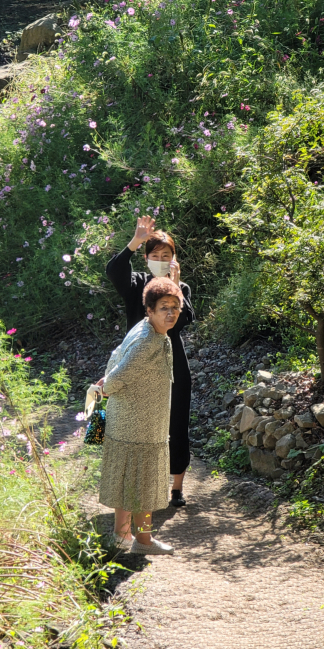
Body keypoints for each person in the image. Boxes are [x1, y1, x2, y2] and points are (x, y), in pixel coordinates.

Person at [106, 216, 194, 507]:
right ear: (146, 259)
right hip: (137, 362)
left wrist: (175, 285)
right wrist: (135, 241)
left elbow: (184, 322)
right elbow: (114, 270)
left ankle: (176, 488)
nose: (160, 260)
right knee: (137, 424)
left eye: (165, 256)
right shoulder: (137, 286)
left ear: (174, 259)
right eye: (154, 256)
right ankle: (137, 488)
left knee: (177, 422)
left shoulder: (181, 289)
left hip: (173, 364)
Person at [97, 278, 183, 555]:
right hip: (141, 424)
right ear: (149, 309)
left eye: (175, 307)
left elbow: (115, 358)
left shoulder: (145, 329)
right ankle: (143, 541)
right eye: (163, 308)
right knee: (143, 483)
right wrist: (106, 387)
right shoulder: (149, 340)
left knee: (126, 479)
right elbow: (120, 374)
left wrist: (105, 384)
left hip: (129, 419)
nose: (170, 313)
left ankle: (120, 536)